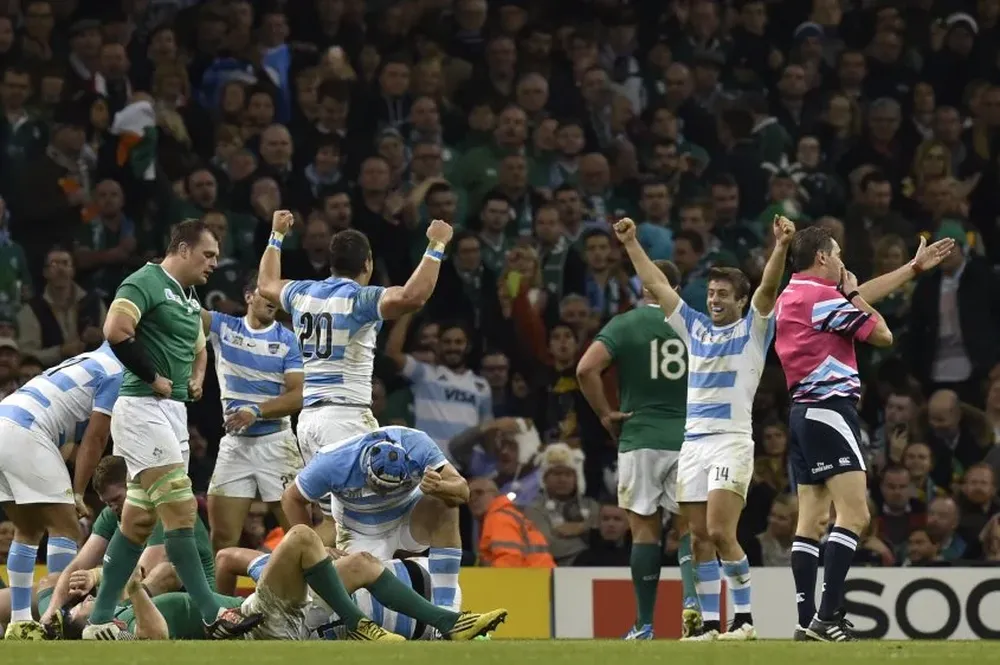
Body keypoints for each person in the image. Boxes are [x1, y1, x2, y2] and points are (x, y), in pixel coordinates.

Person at [615, 215, 796, 641]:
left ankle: (746, 620)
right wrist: (631, 243)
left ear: (740, 299)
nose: (714, 300)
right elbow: (658, 286)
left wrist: (781, 247)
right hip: (692, 445)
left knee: (719, 530)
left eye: (723, 295)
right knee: (698, 539)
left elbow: (768, 288)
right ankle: (711, 626)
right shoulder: (694, 327)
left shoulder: (753, 329)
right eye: (711, 293)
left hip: (731, 443)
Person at [84, 219, 262, 640]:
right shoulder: (143, 281)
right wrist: (153, 377)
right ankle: (210, 611)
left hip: (172, 413)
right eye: (208, 255)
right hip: (141, 408)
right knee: (182, 509)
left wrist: (197, 377)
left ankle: (98, 620)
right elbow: (116, 331)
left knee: (138, 524)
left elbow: (200, 346)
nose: (215, 263)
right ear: (182, 249)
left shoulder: (187, 296)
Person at [776, 226, 953, 641]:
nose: (842, 262)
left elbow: (854, 301)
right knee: (855, 515)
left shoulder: (795, 294)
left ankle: (805, 622)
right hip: (830, 409)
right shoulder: (821, 299)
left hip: (803, 413)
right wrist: (854, 295)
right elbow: (882, 334)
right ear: (822, 257)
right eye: (836, 254)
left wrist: (911, 269)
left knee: (812, 518)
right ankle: (827, 617)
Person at [256, 209, 453, 542]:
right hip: (345, 420)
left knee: (338, 523)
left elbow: (265, 285)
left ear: (332, 263)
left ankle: (305, 577)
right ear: (368, 264)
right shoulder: (360, 299)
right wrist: (436, 245)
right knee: (377, 521)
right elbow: (411, 296)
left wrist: (276, 235)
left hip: (308, 423)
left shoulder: (303, 293)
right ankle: (290, 574)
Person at [65, 524, 503, 641]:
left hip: (253, 615)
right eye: (78, 606)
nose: (84, 601)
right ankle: (357, 625)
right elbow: (156, 635)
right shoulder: (111, 630)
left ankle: (449, 624)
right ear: (80, 621)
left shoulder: (118, 606)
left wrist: (128, 578)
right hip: (256, 624)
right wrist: (136, 590)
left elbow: (172, 573)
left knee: (364, 564)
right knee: (299, 536)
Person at [576, 258, 703, 639]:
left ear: (642, 287)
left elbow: (585, 369)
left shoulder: (625, 323)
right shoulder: (695, 324)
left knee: (644, 530)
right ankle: (693, 606)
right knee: (688, 528)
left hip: (641, 436)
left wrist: (605, 414)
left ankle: (645, 624)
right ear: (675, 289)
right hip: (691, 437)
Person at [0, 343, 123, 640]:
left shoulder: (86, 362)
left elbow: (70, 447)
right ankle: (55, 617)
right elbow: (97, 437)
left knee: (27, 529)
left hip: (6, 421)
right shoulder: (117, 372)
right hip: (26, 430)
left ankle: (19, 624)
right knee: (67, 527)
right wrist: (77, 493)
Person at [281, 426, 469, 613]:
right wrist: (317, 547)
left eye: (390, 487)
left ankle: (447, 609)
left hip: (408, 516)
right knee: (358, 600)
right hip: (360, 531)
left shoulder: (418, 445)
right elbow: (291, 498)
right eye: (378, 486)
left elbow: (462, 491)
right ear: (364, 468)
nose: (384, 494)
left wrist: (440, 486)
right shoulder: (332, 461)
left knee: (446, 503)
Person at [39, 456, 215, 633]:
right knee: (52, 581)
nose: (113, 507)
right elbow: (78, 564)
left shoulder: (159, 509)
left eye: (117, 499)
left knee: (165, 572)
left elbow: (141, 572)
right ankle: (54, 624)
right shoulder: (112, 513)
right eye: (107, 503)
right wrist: (51, 612)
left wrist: (95, 575)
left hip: (180, 596)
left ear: (133, 485)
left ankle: (104, 621)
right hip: (128, 594)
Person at [203, 272, 304, 551]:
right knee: (222, 541)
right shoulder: (224, 327)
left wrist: (255, 412)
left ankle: (311, 596)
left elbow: (298, 396)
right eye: (266, 293)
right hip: (235, 447)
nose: (273, 300)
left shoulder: (288, 340)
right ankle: (220, 597)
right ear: (249, 297)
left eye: (277, 296)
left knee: (300, 537)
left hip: (277, 445)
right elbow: (186, 313)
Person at [216, 546, 464, 639]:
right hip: (421, 605)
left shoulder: (270, 587)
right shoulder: (272, 582)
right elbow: (225, 558)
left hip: (416, 620)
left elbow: (225, 558)